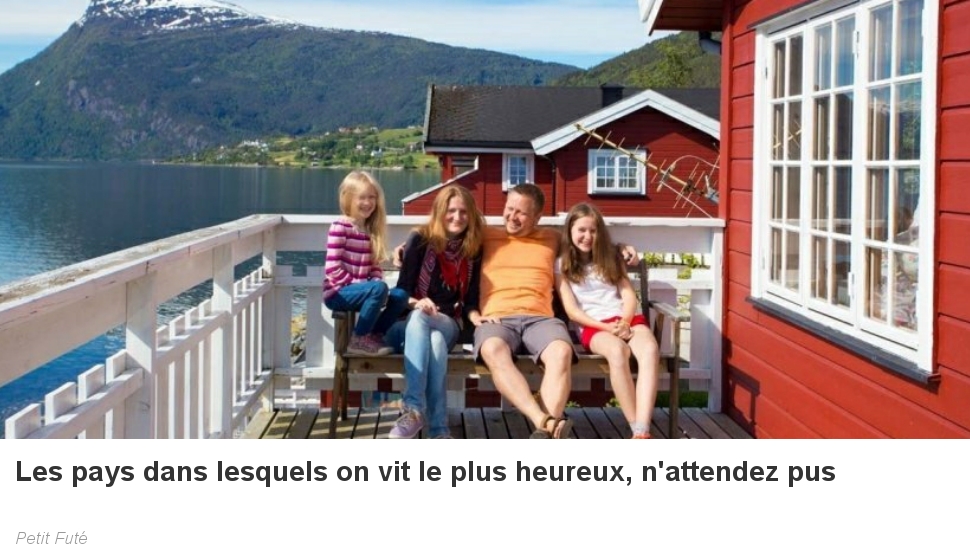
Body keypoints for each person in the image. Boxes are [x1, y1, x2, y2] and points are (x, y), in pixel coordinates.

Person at [384, 186, 485, 439]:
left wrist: (476, 317)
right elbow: (402, 292)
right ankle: (439, 430)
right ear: (440, 211)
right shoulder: (420, 240)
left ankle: (413, 410)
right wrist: (417, 303)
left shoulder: (473, 248)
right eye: (451, 211)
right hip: (406, 326)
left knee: (433, 328)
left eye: (464, 212)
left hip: (448, 321)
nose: (457, 217)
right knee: (433, 338)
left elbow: (471, 300)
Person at [556, 203, 660, 439]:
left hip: (627, 319)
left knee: (650, 349)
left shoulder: (611, 257)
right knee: (617, 351)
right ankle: (636, 428)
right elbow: (572, 311)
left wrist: (625, 322)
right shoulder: (562, 264)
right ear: (570, 230)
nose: (587, 236)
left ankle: (643, 431)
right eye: (581, 230)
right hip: (594, 326)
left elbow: (628, 294)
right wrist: (607, 327)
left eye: (593, 231)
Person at [323, 170, 408, 356]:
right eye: (362, 198)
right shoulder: (340, 226)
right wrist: (365, 285)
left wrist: (376, 283)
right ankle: (359, 339)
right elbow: (332, 269)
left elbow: (374, 267)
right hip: (338, 292)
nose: (368, 203)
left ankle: (374, 335)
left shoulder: (371, 231)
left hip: (362, 291)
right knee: (377, 289)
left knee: (401, 296)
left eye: (372, 197)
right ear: (348, 198)